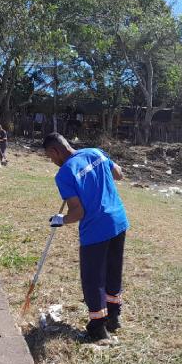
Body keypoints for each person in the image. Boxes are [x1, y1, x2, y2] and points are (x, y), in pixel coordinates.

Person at [43, 133, 128, 341]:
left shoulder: (64, 174)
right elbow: (119, 174)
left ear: (55, 151)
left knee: (93, 279)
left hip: (96, 230)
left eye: (50, 157)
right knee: (113, 271)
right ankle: (114, 317)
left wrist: (60, 219)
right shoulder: (95, 152)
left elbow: (78, 213)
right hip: (118, 220)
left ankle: (98, 328)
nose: (52, 161)